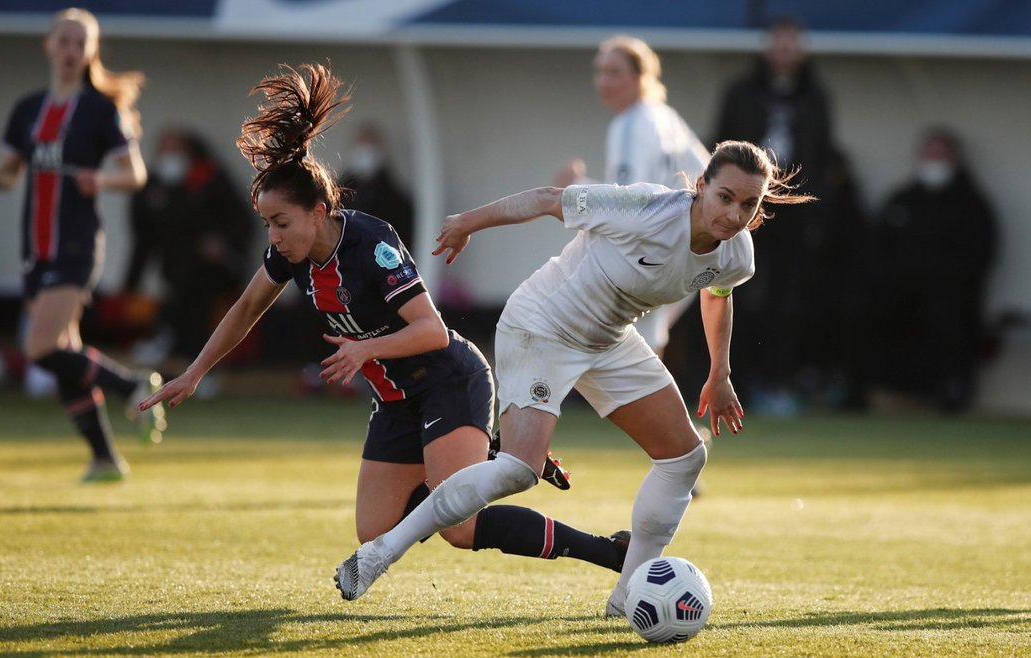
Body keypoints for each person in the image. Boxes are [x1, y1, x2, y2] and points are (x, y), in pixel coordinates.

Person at [139, 62, 631, 576]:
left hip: (448, 381)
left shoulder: (372, 244)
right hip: (396, 400)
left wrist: (365, 349)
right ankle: (485, 454)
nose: (274, 237)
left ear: (320, 210)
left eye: (280, 222)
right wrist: (195, 372)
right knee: (375, 530)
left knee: (458, 527)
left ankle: (607, 551)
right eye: (267, 224)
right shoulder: (291, 254)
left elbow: (431, 330)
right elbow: (244, 309)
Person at [334, 141, 816, 613]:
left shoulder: (738, 252)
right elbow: (547, 200)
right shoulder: (646, 207)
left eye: (748, 205)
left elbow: (717, 292)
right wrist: (466, 223)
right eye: (725, 198)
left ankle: (629, 596)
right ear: (701, 187)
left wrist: (720, 371)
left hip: (608, 340)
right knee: (519, 469)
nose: (734, 215)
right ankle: (380, 553)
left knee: (684, 459)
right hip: (540, 325)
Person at [0, 7, 165, 483]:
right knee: (66, 351)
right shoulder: (27, 109)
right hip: (34, 249)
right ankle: (105, 458)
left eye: (78, 43)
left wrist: (98, 177)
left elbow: (135, 172)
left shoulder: (100, 110)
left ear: (89, 52)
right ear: (48, 46)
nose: (69, 50)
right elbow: (6, 174)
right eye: (62, 41)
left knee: (39, 347)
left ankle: (131, 387)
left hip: (77, 245)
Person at [556, 35, 709, 357]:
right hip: (688, 251)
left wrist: (576, 186)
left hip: (650, 251)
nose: (603, 81)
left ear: (640, 77)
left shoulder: (628, 124)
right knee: (648, 351)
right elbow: (709, 174)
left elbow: (625, 201)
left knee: (634, 359)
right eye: (600, 71)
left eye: (614, 72)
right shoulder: (667, 117)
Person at [711, 16, 834, 412]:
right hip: (744, 206)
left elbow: (822, 156)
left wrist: (816, 215)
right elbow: (719, 145)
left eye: (792, 44)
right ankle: (736, 380)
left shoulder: (816, 97)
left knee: (787, 300)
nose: (784, 52)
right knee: (735, 291)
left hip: (794, 214)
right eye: (778, 44)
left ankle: (777, 384)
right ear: (767, 48)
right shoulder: (741, 92)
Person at [868, 127, 997, 412]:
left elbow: (977, 257)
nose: (934, 160)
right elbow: (877, 250)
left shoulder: (971, 205)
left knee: (948, 315)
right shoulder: (902, 199)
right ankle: (882, 394)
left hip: (949, 297)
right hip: (899, 297)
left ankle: (949, 395)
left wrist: (932, 277)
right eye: (930, 153)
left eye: (941, 154)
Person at [125, 128, 254, 370]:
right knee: (182, 283)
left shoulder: (210, 178)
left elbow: (243, 221)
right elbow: (143, 241)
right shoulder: (151, 188)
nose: (169, 156)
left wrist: (221, 241)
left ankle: (189, 353)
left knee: (198, 284)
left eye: (175, 150)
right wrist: (129, 286)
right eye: (164, 150)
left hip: (218, 267)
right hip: (174, 269)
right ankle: (171, 342)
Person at [338, 123, 415, 252]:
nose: (365, 153)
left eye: (370, 146)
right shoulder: (336, 194)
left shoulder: (396, 201)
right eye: (362, 146)